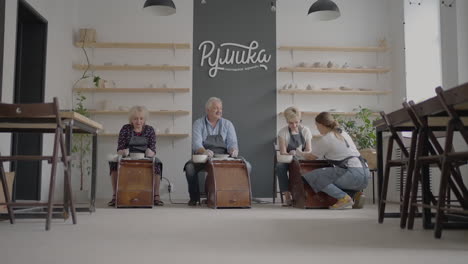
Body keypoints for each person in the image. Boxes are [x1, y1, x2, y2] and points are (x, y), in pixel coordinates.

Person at [184, 97, 251, 206]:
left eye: (220, 108)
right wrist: (204, 151)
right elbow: (196, 144)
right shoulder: (198, 123)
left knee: (247, 166)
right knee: (189, 168)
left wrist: (233, 150)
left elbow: (232, 143)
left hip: (223, 158)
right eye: (215, 108)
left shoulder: (227, 124)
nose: (219, 111)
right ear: (208, 110)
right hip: (203, 158)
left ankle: (232, 197)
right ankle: (194, 198)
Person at [297, 112, 369, 209]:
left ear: (321, 125)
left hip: (352, 174)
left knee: (314, 176)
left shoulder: (327, 138)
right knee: (333, 174)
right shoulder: (343, 133)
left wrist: (299, 152)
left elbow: (311, 157)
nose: (317, 128)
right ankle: (355, 194)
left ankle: (344, 198)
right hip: (365, 174)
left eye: (317, 126)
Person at [108, 106, 163, 206]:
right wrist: (123, 152)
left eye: (141, 118)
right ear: (131, 119)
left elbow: (154, 150)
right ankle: (115, 196)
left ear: (144, 119)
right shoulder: (125, 129)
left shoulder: (150, 130)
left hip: (145, 159)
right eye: (135, 118)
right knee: (113, 163)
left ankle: (156, 196)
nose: (138, 121)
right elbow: (119, 150)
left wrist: (150, 152)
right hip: (128, 158)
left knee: (158, 164)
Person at [276, 106, 312, 206]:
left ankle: (305, 195)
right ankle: (287, 195)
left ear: (300, 120)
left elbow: (309, 149)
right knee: (279, 167)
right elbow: (283, 151)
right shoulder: (282, 132)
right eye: (291, 123)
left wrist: (301, 153)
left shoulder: (306, 130)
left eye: (296, 122)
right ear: (287, 121)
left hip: (303, 157)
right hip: (288, 158)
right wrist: (291, 153)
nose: (294, 125)